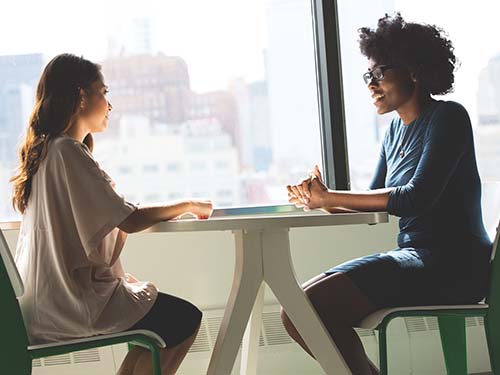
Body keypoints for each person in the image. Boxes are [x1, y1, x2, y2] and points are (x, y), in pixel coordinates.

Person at [282, 13, 492, 375]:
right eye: (369, 76)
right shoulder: (393, 132)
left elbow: (415, 198)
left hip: (454, 263)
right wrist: (317, 198)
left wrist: (331, 197)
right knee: (296, 310)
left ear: (413, 70)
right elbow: (373, 208)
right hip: (415, 256)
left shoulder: (448, 118)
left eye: (379, 74)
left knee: (311, 307)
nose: (371, 85)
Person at [12, 53, 213, 375]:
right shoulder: (66, 151)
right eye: (103, 93)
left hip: (46, 301)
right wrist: (186, 205)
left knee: (152, 330)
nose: (109, 104)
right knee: (183, 319)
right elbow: (129, 220)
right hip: (69, 304)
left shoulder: (48, 152)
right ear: (81, 97)